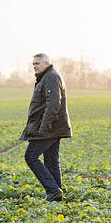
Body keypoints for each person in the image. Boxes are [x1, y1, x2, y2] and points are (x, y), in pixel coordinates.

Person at [21, 53, 72, 201]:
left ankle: (52, 189)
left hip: (49, 128)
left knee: (30, 156)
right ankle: (56, 195)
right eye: (33, 64)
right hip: (53, 127)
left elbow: (53, 104)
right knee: (50, 160)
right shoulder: (47, 77)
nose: (34, 67)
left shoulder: (51, 77)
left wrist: (44, 128)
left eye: (37, 64)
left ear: (46, 63)